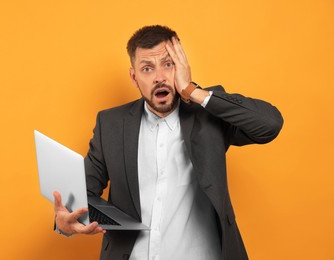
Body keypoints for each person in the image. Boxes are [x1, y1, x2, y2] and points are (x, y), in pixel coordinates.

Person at [52, 25, 283, 260]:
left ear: (181, 66)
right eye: (147, 69)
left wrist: (192, 91)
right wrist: (64, 223)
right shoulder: (111, 123)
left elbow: (270, 124)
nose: (160, 77)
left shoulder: (208, 114)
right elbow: (84, 194)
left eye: (168, 64)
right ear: (134, 77)